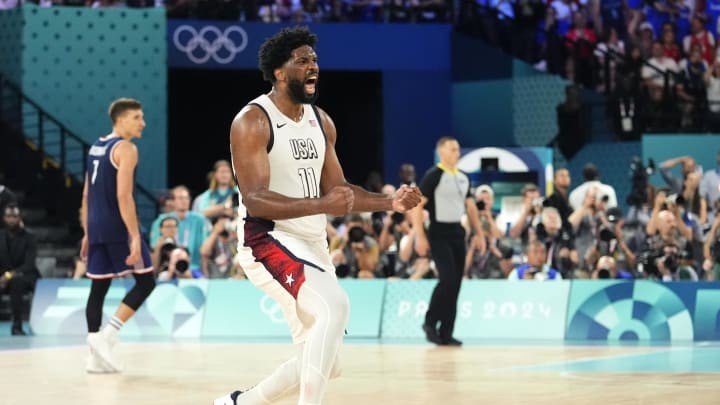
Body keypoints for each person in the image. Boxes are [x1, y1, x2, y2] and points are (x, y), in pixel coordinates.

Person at [213, 27, 422, 405]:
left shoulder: (320, 121)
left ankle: (241, 402)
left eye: (315, 60)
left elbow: (340, 192)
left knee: (328, 360)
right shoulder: (253, 121)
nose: (314, 67)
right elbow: (257, 200)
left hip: (311, 241)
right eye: (303, 61)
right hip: (267, 240)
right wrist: (322, 206)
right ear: (279, 72)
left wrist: (391, 203)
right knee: (335, 306)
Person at [80, 98, 156, 373]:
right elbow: (124, 196)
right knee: (146, 282)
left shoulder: (95, 146)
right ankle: (107, 336)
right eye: (137, 117)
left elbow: (87, 193)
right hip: (117, 227)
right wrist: (134, 236)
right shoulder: (126, 149)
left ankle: (93, 357)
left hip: (97, 226)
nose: (142, 122)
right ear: (121, 120)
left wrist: (87, 231)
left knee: (98, 288)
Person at [413, 136, 485, 347]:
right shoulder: (433, 175)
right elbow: (417, 205)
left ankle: (446, 332)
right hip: (438, 233)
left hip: (457, 233)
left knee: (456, 283)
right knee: (447, 279)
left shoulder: (464, 177)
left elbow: (470, 207)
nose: (457, 153)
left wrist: (479, 234)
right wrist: (420, 236)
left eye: (458, 149)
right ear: (441, 152)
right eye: (453, 149)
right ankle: (429, 322)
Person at [0, 205, 39, 335]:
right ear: (4, 218)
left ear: (20, 218)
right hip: (3, 278)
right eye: (8, 216)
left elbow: (29, 264)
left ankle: (17, 326)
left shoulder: (29, 238)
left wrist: (9, 275)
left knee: (16, 282)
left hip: (24, 276)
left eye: (14, 216)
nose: (11, 220)